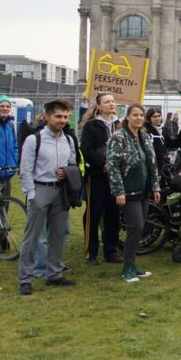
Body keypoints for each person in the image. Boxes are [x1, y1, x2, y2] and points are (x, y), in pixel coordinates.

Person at [17, 99, 77, 295]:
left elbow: (73, 163)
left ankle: (54, 274)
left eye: (66, 117)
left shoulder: (68, 140)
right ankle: (25, 278)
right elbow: (25, 169)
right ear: (47, 117)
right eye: (58, 116)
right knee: (32, 237)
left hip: (60, 192)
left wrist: (67, 172)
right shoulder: (34, 140)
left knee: (59, 235)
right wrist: (31, 194)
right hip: (40, 189)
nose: (63, 120)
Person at [106, 104, 161, 283]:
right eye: (135, 115)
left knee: (140, 228)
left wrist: (155, 187)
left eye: (141, 115)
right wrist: (118, 191)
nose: (138, 118)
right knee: (135, 227)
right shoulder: (118, 137)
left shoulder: (145, 137)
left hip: (144, 190)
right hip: (128, 191)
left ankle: (133, 265)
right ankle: (127, 268)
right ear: (127, 117)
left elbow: (152, 164)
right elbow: (112, 166)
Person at [79, 93, 121, 265]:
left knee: (113, 215)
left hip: (116, 178)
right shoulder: (92, 126)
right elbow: (86, 149)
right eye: (107, 101)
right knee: (93, 214)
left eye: (112, 101)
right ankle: (91, 252)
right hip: (97, 176)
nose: (111, 104)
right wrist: (102, 164)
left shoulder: (119, 124)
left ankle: (111, 251)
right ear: (99, 105)